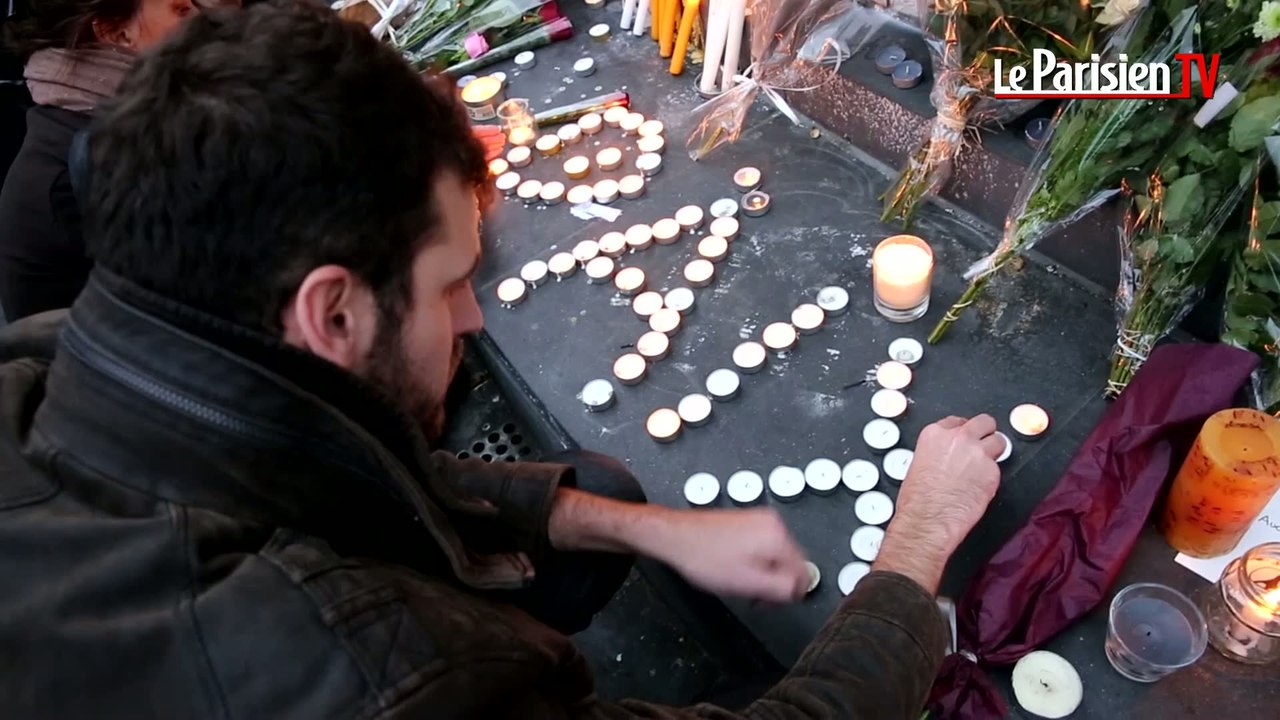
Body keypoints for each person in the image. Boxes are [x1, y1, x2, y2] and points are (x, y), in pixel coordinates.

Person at [0, 3, 1006, 718]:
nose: (474, 317)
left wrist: (649, 529)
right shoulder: (389, 677)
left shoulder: (54, 362)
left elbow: (328, 457)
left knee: (595, 489)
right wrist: (913, 546)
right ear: (332, 312)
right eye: (447, 281)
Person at [0, 0, 217, 321]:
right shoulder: (102, 154)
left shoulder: (104, 124)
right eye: (180, 9)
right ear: (116, 32)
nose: (201, 18)